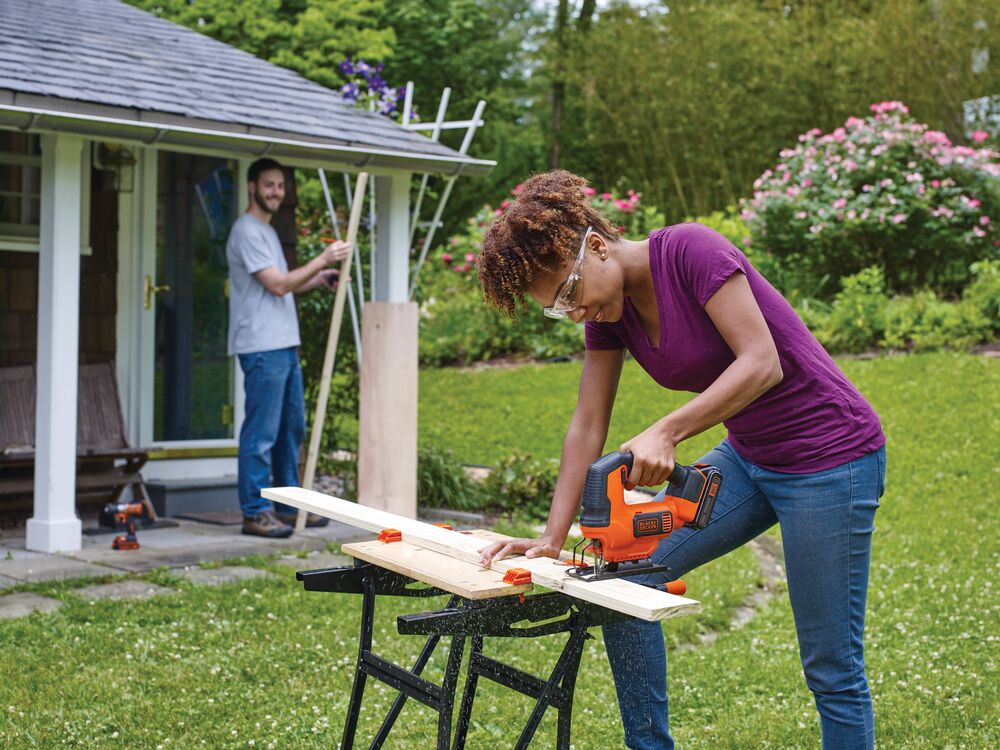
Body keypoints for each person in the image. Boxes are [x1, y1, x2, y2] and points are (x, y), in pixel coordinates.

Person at [477, 170, 886, 749]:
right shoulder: (610, 315)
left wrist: (667, 431)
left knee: (831, 665)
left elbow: (761, 362)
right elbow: (587, 424)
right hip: (751, 457)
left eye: (569, 293)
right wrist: (551, 536)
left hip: (830, 457)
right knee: (621, 575)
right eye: (556, 308)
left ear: (596, 247)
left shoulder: (692, 250)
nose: (573, 312)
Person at [227, 157, 352, 538]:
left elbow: (285, 284)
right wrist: (323, 258)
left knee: (290, 429)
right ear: (252, 187)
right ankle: (254, 511)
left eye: (280, 185)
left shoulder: (266, 231)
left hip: (283, 344)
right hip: (261, 346)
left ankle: (286, 505)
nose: (276, 192)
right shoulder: (247, 231)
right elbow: (278, 285)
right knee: (262, 432)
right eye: (269, 185)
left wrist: (320, 277)